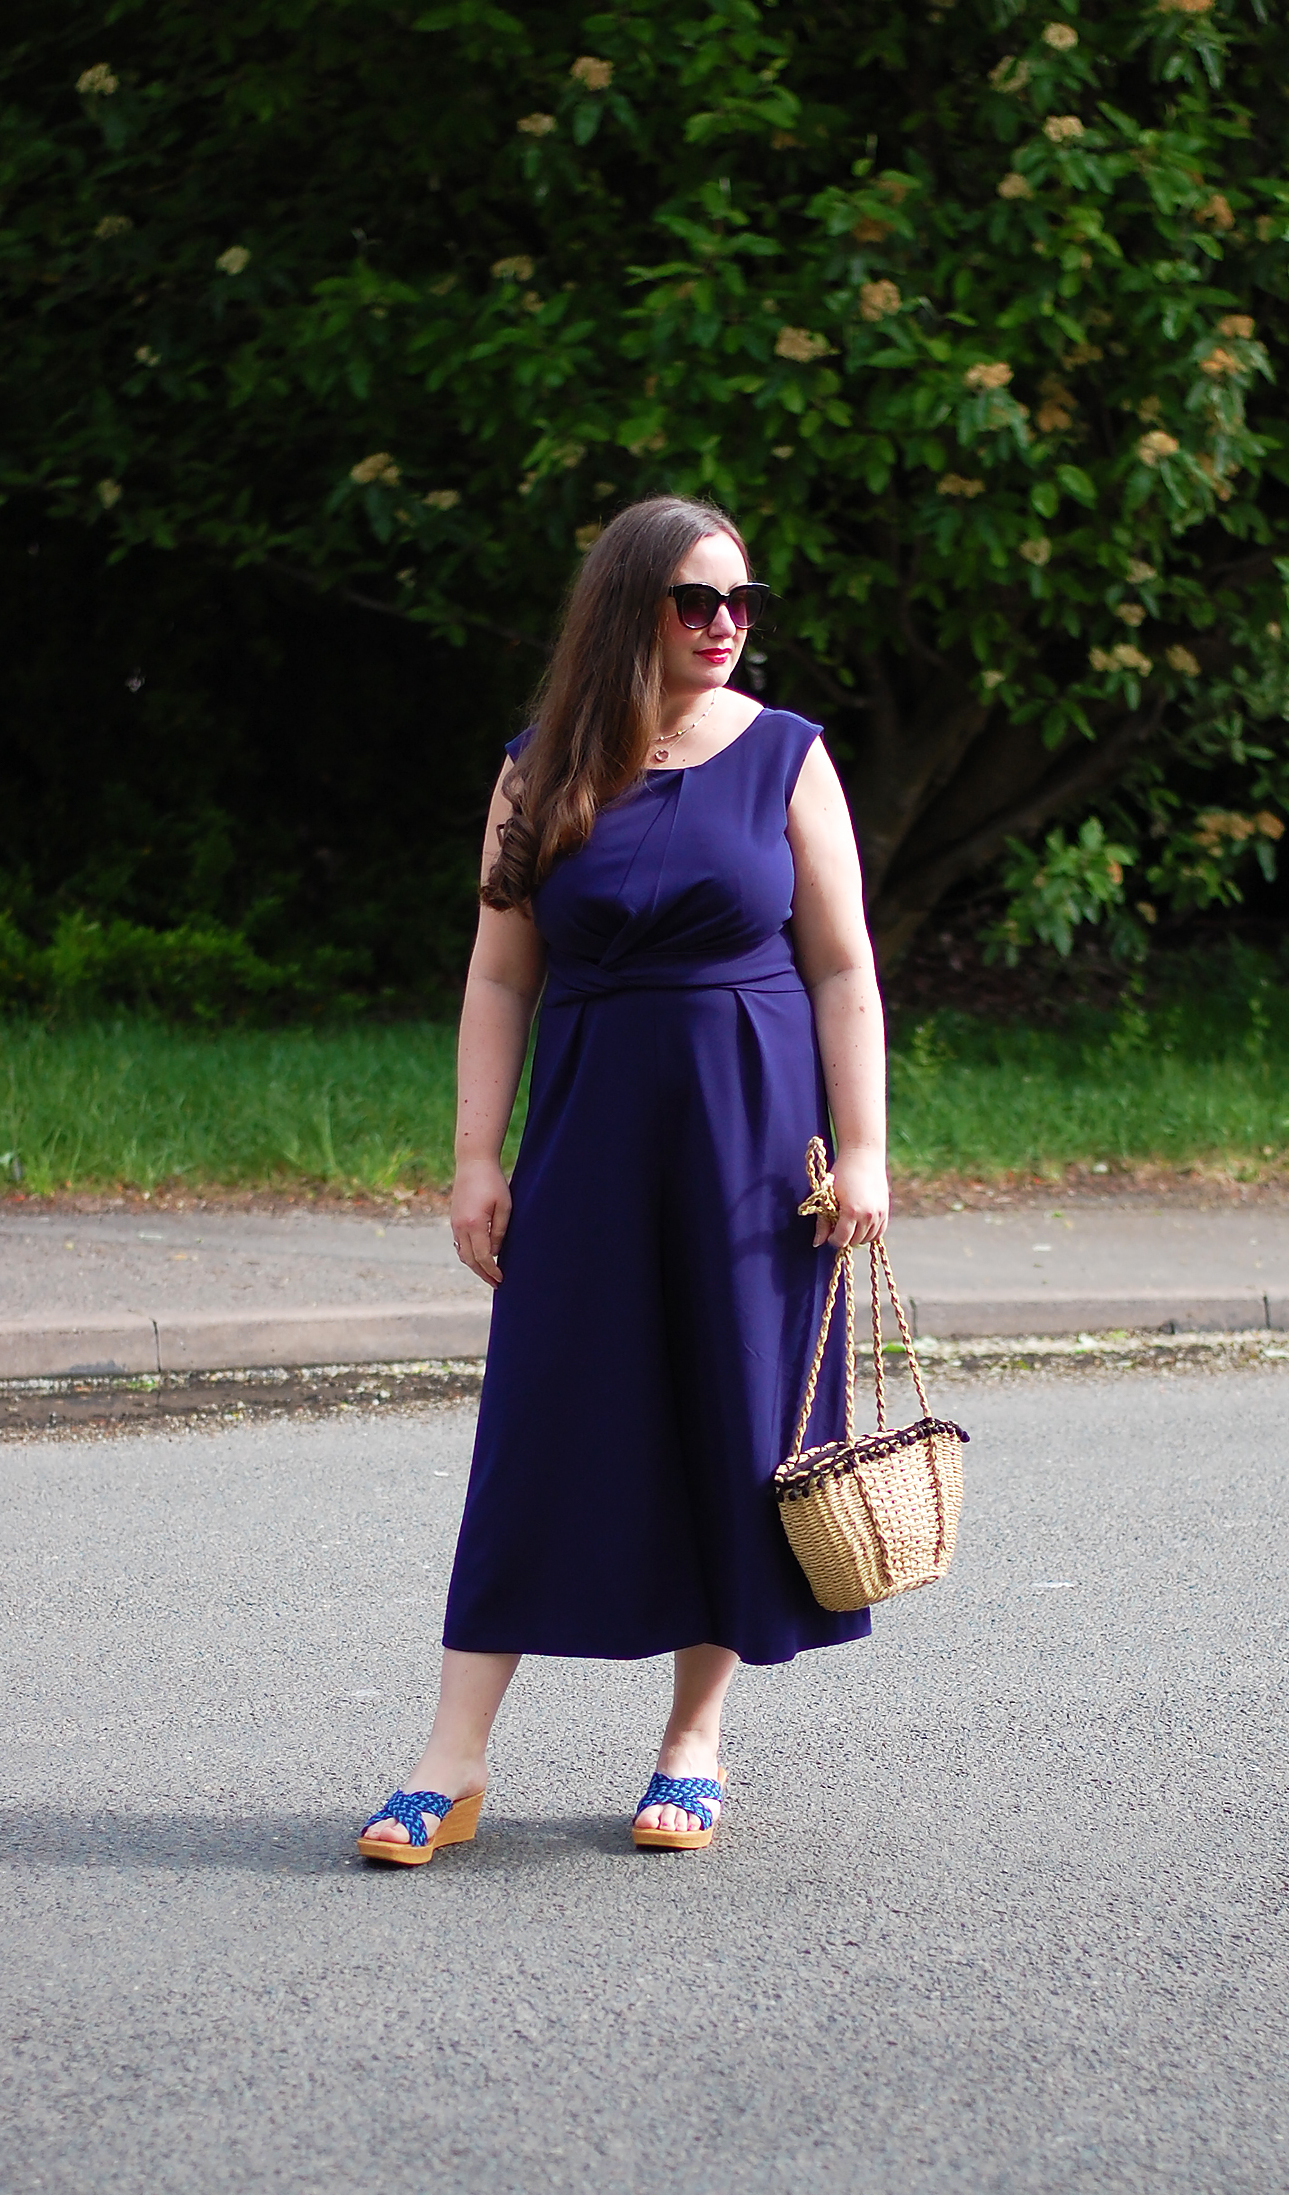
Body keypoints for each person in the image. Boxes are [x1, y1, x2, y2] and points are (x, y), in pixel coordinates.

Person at [358, 494, 889, 1865]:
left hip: (752, 1146)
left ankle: (693, 1743)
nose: (728, 625)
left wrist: (869, 1151)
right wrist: (475, 1158)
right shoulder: (540, 767)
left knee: (733, 1423)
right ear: (626, 609)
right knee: (541, 1431)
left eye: (743, 602)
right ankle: (449, 1762)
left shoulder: (786, 756)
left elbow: (841, 968)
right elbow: (496, 970)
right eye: (697, 601)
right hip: (588, 1142)